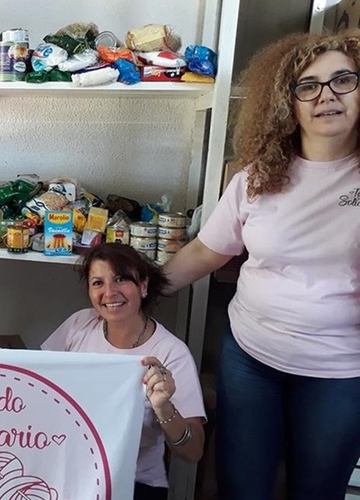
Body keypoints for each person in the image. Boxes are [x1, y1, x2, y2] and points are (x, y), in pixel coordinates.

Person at [162, 32, 360, 500]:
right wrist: (139, 288)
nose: (326, 95)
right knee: (240, 486)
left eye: (343, 80)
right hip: (252, 359)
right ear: (286, 104)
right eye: (307, 86)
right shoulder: (257, 177)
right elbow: (208, 252)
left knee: (317, 491)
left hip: (340, 370)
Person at [41, 243, 205, 500]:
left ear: (143, 286)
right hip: (71, 471)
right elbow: (40, 386)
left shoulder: (171, 353)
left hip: (135, 481)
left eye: (121, 279)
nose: (110, 292)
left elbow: (193, 451)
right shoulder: (78, 326)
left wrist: (163, 407)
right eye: (98, 283)